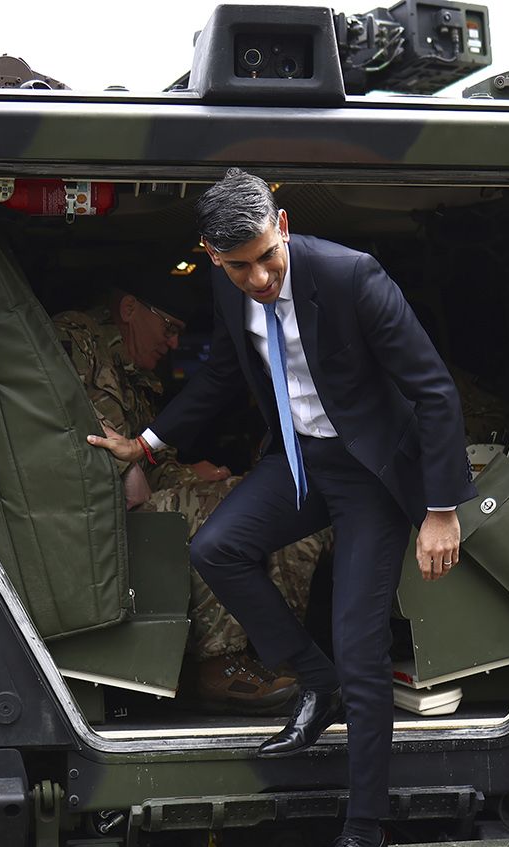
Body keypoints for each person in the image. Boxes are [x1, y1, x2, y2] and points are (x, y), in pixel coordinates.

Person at [88, 168, 472, 847]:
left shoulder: (354, 277)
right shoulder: (227, 287)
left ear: (284, 225)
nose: (259, 277)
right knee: (216, 546)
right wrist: (145, 444)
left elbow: (433, 389)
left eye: (268, 256)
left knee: (361, 648)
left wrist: (441, 508)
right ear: (211, 255)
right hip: (301, 461)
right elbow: (221, 379)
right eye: (239, 266)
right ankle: (313, 679)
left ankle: (365, 836)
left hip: (370, 474)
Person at [52, 284, 331, 713]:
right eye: (168, 327)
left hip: (121, 505)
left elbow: (147, 459)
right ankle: (221, 665)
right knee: (217, 511)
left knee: (260, 503)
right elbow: (64, 419)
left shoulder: (135, 378)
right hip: (85, 514)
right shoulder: (76, 337)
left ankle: (277, 652)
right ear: (129, 308)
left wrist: (188, 473)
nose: (174, 342)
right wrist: (128, 466)